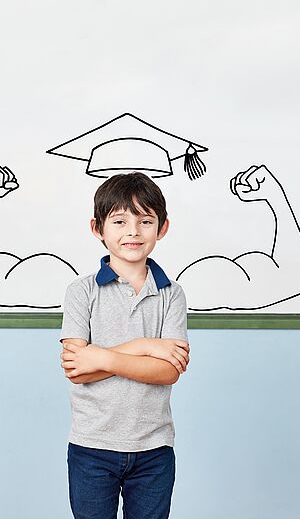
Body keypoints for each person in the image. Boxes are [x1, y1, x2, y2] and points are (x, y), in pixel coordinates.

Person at [59, 172, 190, 519]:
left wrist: (99, 356)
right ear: (97, 228)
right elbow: (76, 369)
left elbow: (167, 371)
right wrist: (146, 344)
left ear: (161, 228)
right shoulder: (81, 291)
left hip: (154, 448)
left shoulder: (172, 294)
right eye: (119, 221)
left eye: (145, 221)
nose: (132, 232)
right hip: (92, 446)